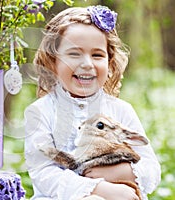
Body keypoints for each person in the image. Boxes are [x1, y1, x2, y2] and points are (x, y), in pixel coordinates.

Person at [24, 5, 161, 200]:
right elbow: (44, 174)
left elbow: (151, 169)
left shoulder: (120, 110)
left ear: (110, 62)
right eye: (74, 54)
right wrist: (98, 188)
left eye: (97, 55)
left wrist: (118, 175)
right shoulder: (40, 112)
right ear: (53, 61)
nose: (87, 64)